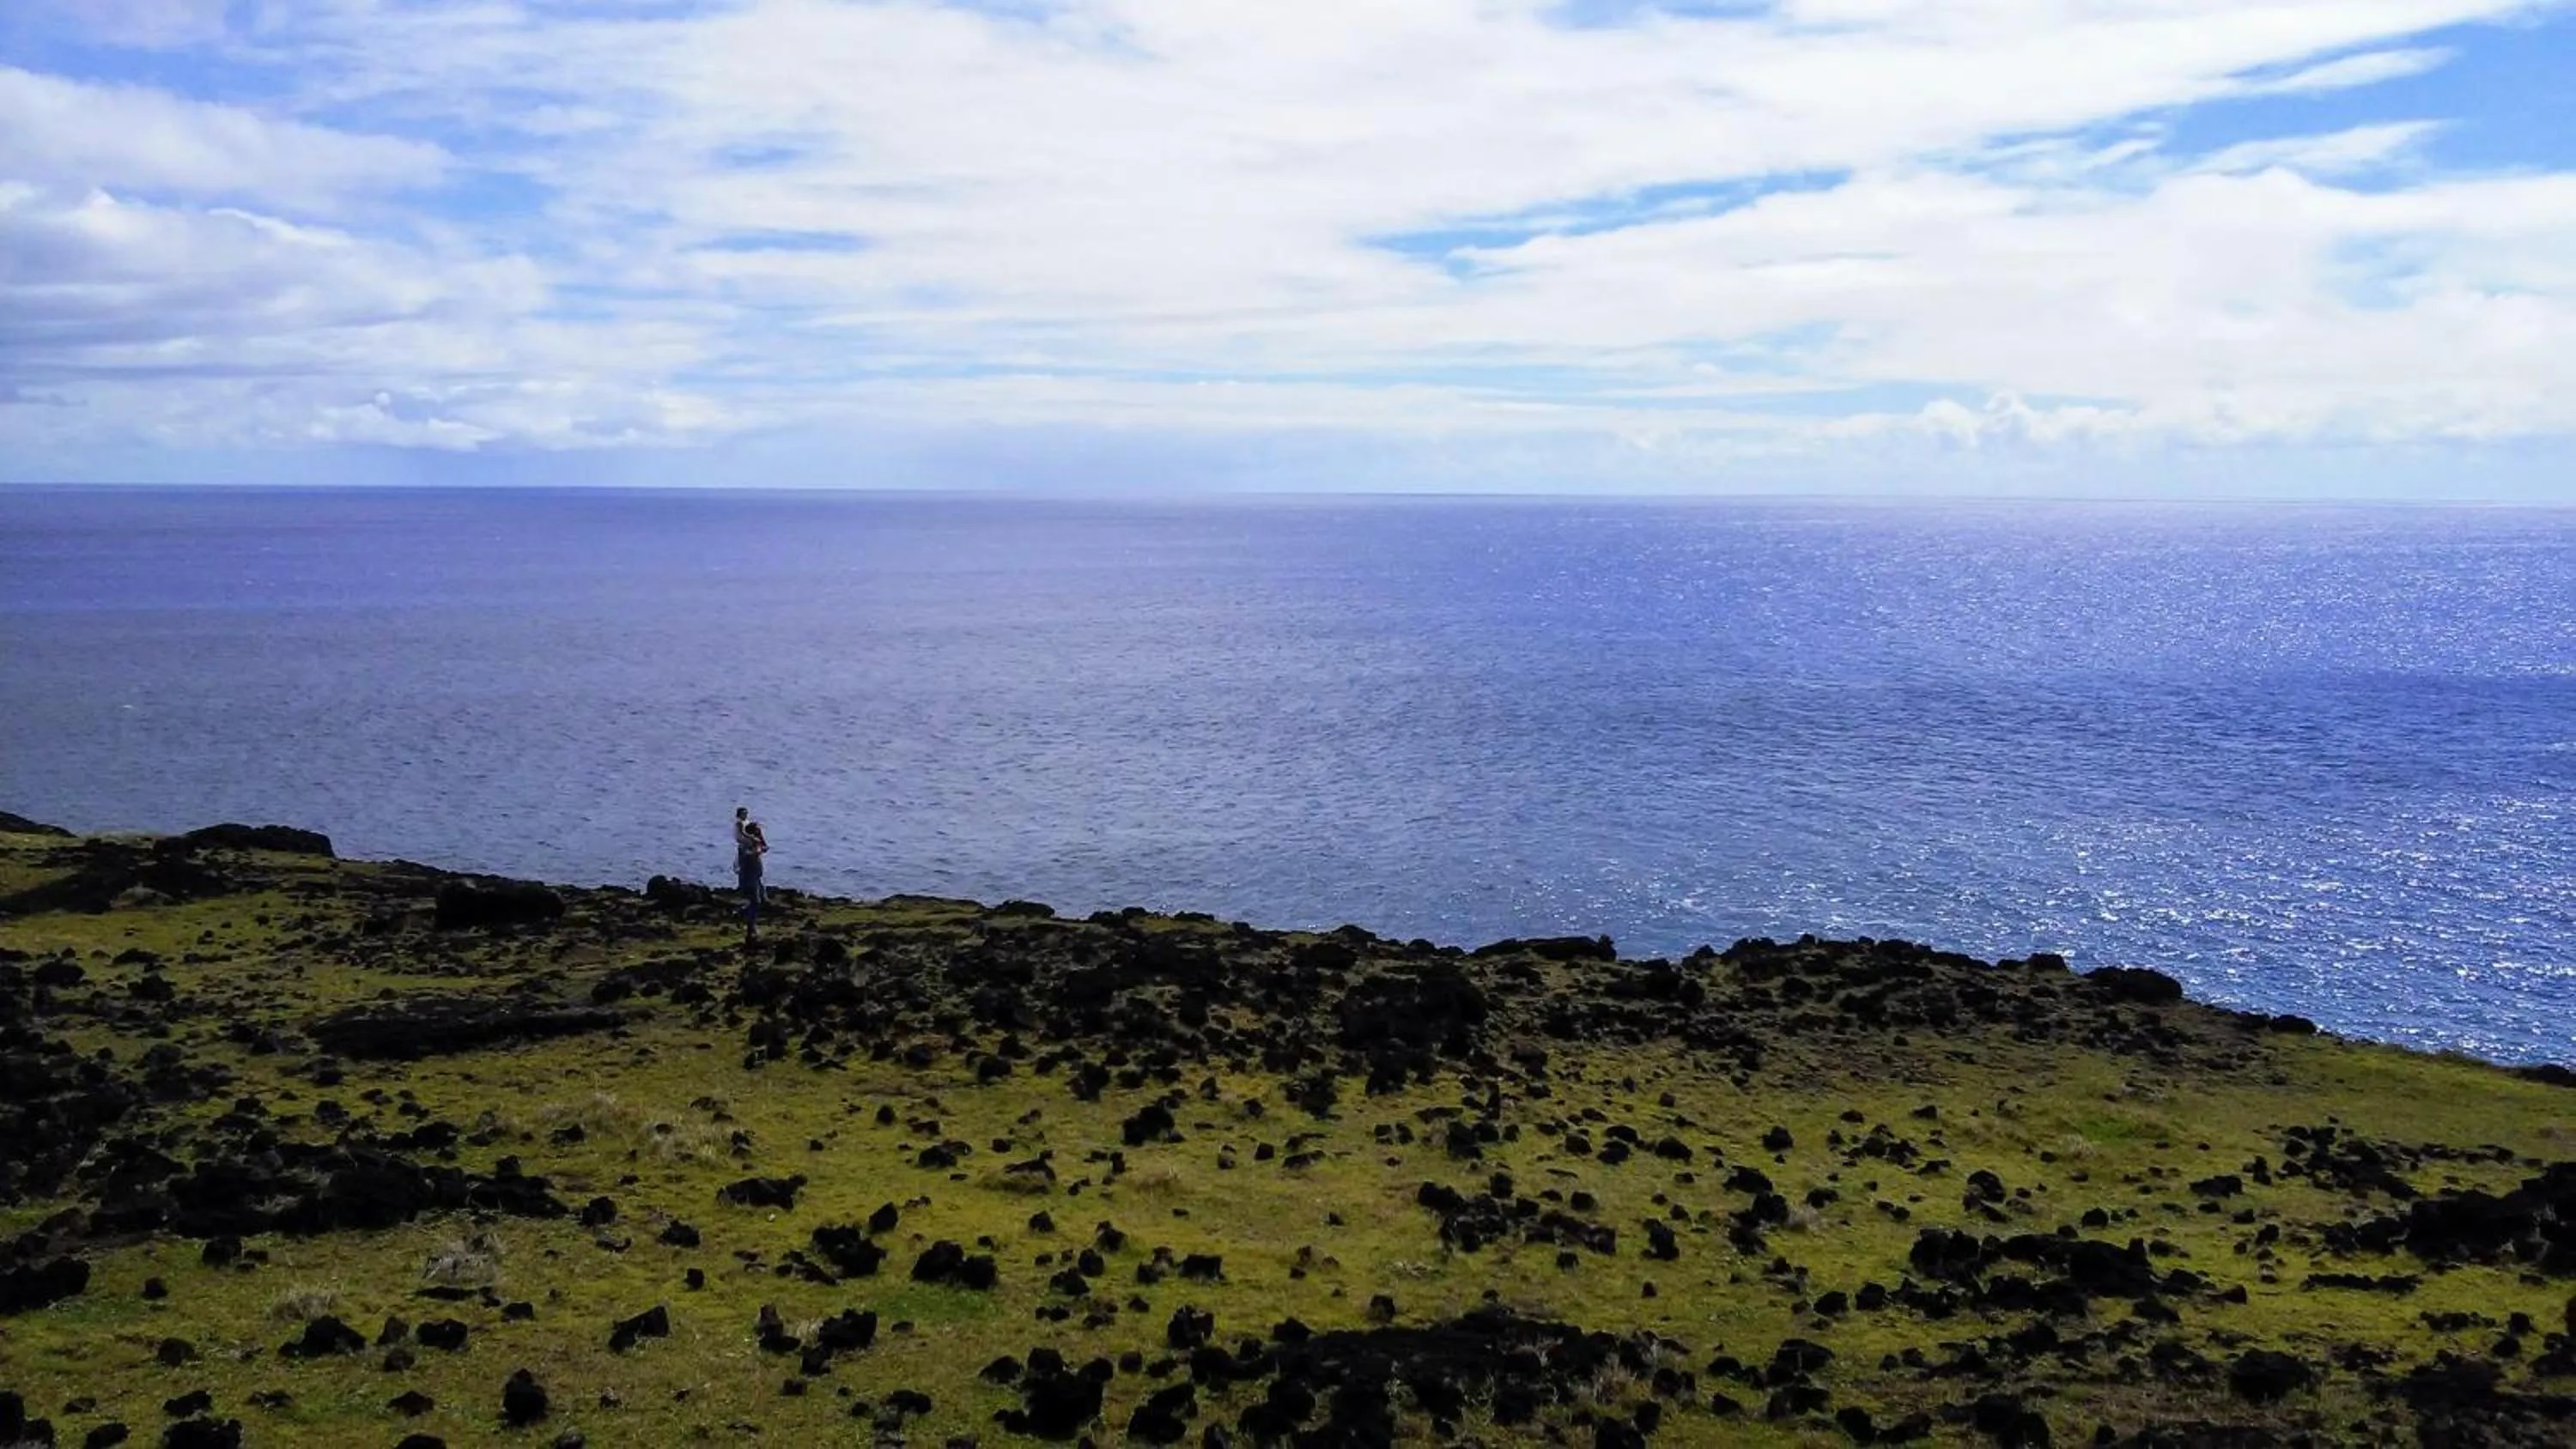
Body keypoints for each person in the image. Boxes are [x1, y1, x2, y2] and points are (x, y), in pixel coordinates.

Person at [733, 805, 768, 943]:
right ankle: (750, 929)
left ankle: (742, 914)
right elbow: (750, 854)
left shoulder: (754, 843)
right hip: (749, 878)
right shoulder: (746, 846)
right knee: (755, 903)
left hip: (756, 877)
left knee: (761, 901)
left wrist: (760, 840)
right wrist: (757, 847)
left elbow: (764, 847)